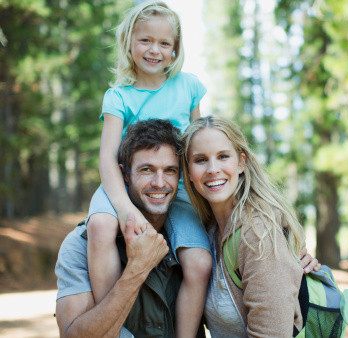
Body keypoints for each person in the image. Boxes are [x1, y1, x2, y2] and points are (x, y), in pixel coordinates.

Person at [86, 1, 211, 336]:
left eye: (164, 43)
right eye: (145, 40)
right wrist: (127, 210)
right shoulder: (118, 97)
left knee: (199, 263)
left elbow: (201, 147)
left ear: (175, 50)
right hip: (128, 186)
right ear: (130, 42)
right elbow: (108, 159)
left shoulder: (188, 86)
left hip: (178, 188)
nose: (154, 50)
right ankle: (112, 326)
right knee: (99, 227)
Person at [56, 119, 207, 337]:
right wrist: (137, 269)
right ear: (125, 175)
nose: (159, 182)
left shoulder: (196, 241)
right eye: (147, 170)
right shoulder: (80, 245)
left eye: (170, 171)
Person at [182, 115, 318, 337]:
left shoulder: (258, 234)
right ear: (188, 172)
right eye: (200, 160)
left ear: (241, 163)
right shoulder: (207, 230)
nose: (212, 169)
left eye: (223, 156)